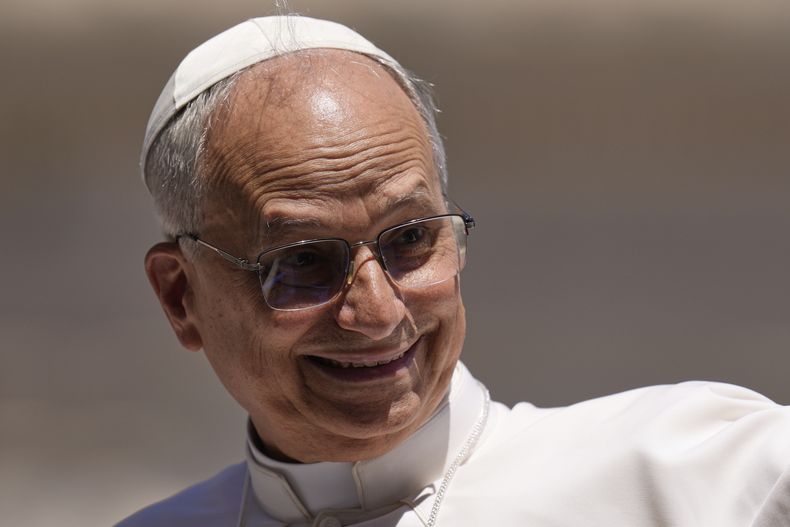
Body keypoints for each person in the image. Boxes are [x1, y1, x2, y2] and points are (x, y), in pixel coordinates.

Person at [118, 15, 790, 527]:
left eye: (409, 238)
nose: (378, 312)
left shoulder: (695, 475)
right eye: (301, 262)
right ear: (181, 297)